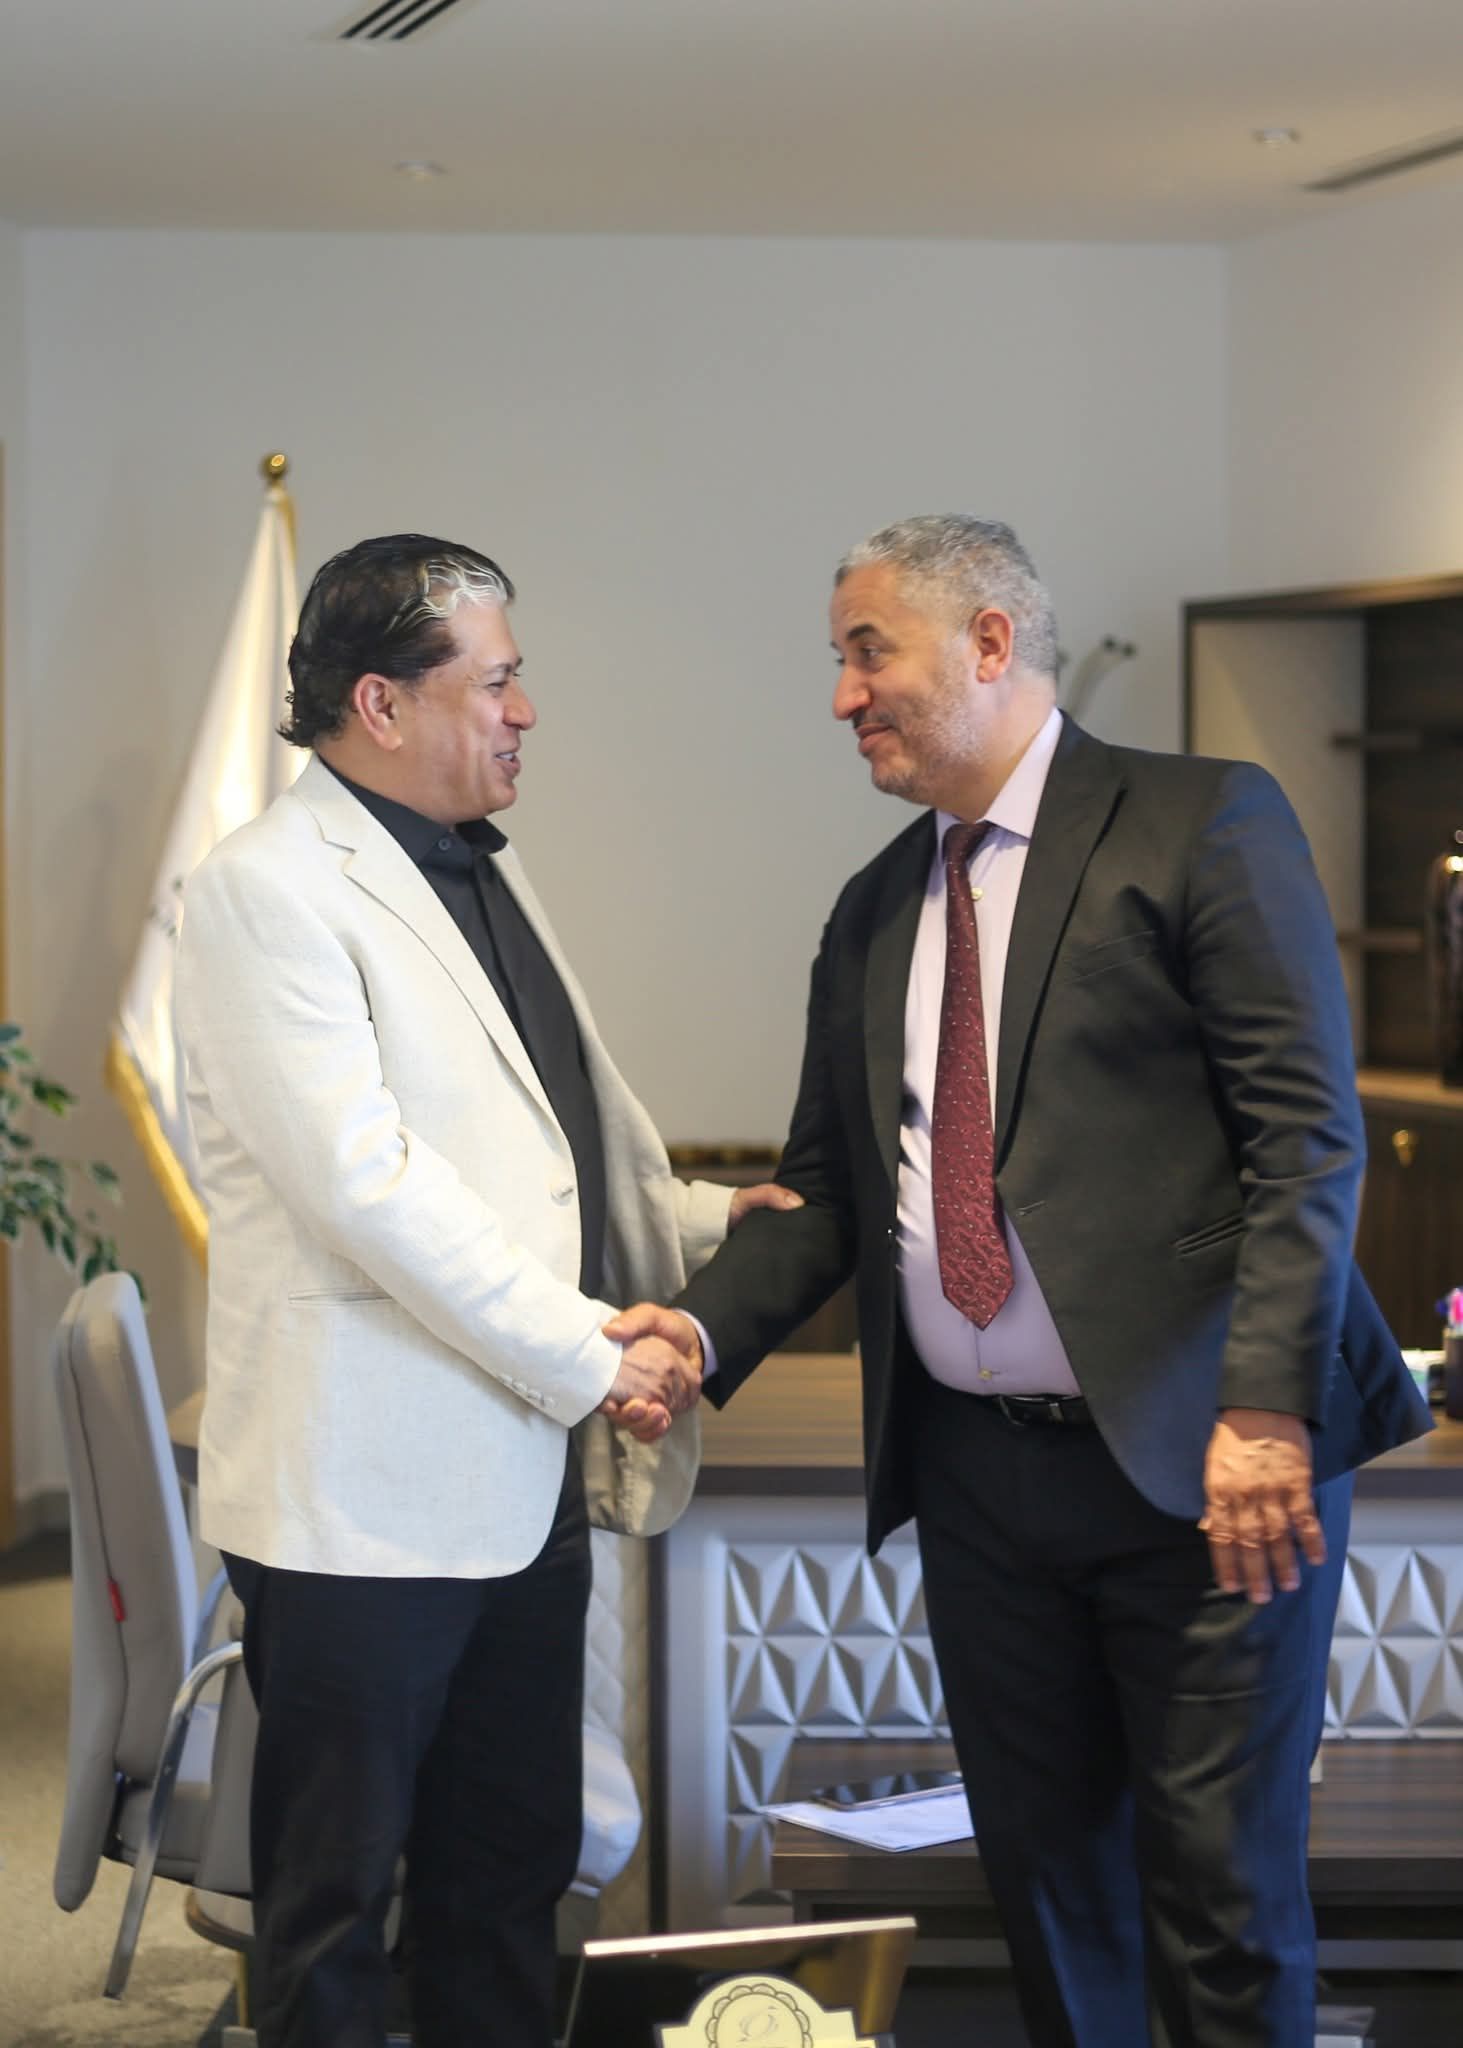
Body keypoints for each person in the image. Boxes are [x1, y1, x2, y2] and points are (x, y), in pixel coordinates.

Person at [609, 515, 1431, 2047]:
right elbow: (831, 1193)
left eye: (868, 653)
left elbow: (1307, 1144)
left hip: (1206, 1468)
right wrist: (700, 1332)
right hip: (983, 1491)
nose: (843, 696)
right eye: (838, 661)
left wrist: (1265, 1410)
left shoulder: (1203, 823)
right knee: (1051, 1898)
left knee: (1223, 1906)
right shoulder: (873, 910)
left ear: (989, 641)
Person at [175, 533, 793, 2048]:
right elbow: (368, 1189)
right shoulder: (265, 890)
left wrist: (710, 1217)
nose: (526, 711)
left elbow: (542, 1145)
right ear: (381, 704)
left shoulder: (477, 863)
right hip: (362, 1501)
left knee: (509, 1873)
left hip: (519, 1482)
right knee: (334, 1907)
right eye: (499, 681)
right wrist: (595, 1354)